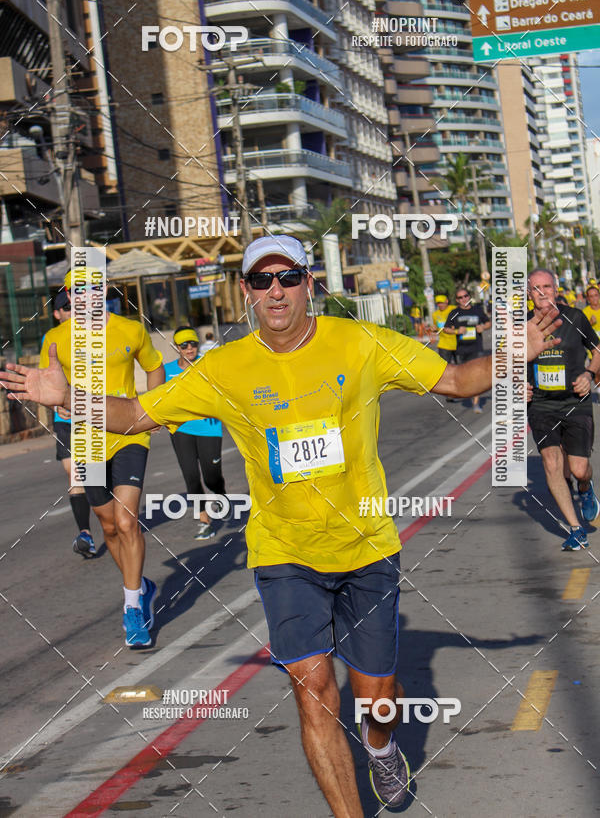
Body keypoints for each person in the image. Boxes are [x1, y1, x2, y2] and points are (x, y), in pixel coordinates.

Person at [1, 236, 560, 816]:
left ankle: (380, 745)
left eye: (288, 278)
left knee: (378, 701)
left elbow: (457, 380)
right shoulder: (225, 366)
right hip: (283, 554)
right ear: (245, 290)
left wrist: (512, 352)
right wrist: (70, 397)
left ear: (308, 284)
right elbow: (138, 414)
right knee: (313, 691)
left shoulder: (359, 343)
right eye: (262, 280)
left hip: (367, 547)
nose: (276, 290)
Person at [39, 269, 165, 647]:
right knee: (108, 526)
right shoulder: (56, 339)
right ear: (68, 295)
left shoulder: (131, 330)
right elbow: (49, 383)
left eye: (93, 287)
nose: (86, 295)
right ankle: (139, 585)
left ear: (105, 290)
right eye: (77, 290)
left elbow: (154, 366)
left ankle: (132, 607)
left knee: (126, 521)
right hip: (87, 441)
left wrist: (153, 409)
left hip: (129, 434)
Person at [528, 268, 600, 550]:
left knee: (579, 469)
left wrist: (589, 375)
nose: (542, 292)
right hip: (541, 404)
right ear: (529, 293)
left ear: (556, 289)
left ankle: (584, 487)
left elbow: (597, 350)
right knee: (551, 462)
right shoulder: (522, 325)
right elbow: (506, 362)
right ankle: (576, 529)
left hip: (574, 402)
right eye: (536, 288)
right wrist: (517, 385)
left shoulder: (575, 318)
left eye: (547, 286)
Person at [45, 290, 95, 557]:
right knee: (75, 474)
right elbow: (44, 379)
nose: (71, 311)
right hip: (64, 418)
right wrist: (56, 405)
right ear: (56, 314)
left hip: (94, 414)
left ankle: (113, 525)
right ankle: (85, 534)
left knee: (97, 477)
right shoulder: (50, 339)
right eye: (66, 308)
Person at [164, 326, 226, 540]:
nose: (190, 348)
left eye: (193, 344)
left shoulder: (207, 364)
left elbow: (222, 391)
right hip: (181, 429)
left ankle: (220, 492)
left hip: (209, 427)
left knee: (211, 475)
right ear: (176, 347)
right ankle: (204, 520)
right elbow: (160, 398)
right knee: (191, 476)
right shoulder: (167, 371)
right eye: (184, 345)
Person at [443, 287, 491, 414]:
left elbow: (488, 323)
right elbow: (446, 328)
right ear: (457, 300)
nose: (464, 299)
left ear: (469, 297)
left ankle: (476, 403)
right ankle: (463, 393)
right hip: (461, 349)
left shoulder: (477, 310)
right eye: (460, 297)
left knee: (477, 376)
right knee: (464, 377)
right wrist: (456, 331)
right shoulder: (455, 313)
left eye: (465, 296)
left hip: (476, 347)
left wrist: (483, 327)